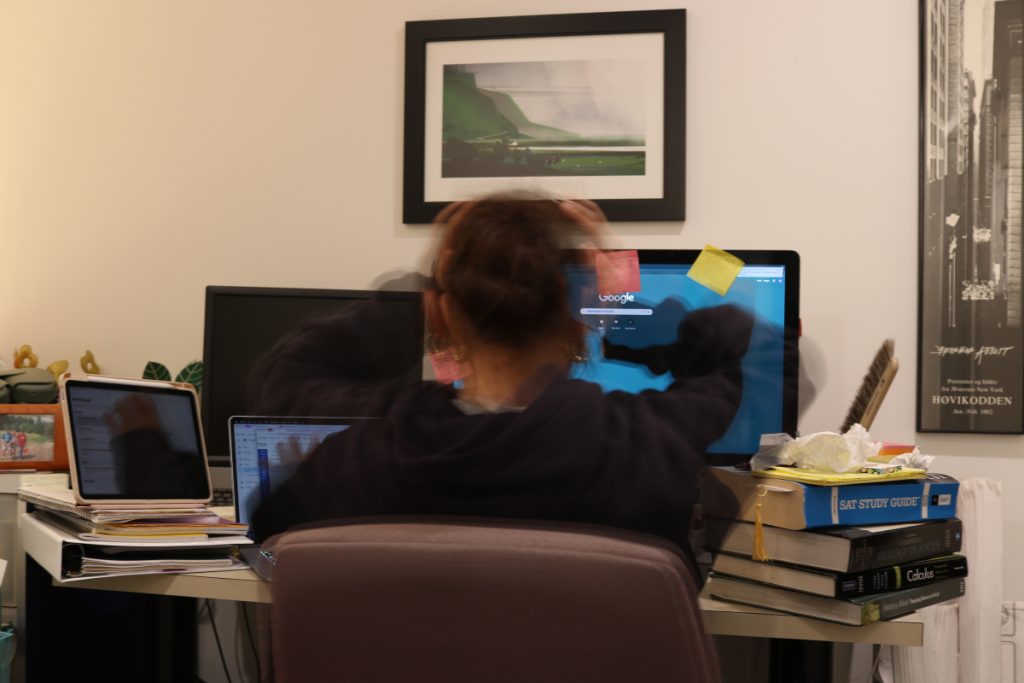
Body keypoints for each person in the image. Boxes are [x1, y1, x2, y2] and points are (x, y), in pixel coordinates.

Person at [249, 195, 753, 577]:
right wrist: (615, 295)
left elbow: (286, 373)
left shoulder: (357, 457)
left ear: (440, 314)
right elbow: (749, 355)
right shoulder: (647, 446)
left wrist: (426, 288)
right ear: (579, 313)